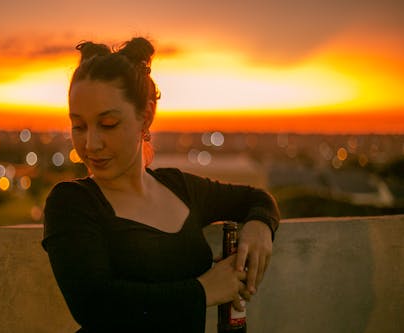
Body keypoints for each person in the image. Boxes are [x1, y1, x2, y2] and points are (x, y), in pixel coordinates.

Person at [42, 37, 280, 333]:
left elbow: (256, 199)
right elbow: (96, 305)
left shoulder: (179, 187)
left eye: (108, 124)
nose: (90, 144)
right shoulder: (72, 202)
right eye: (79, 126)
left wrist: (259, 227)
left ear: (146, 116)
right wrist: (205, 289)